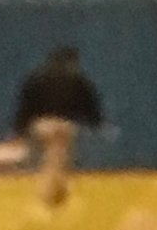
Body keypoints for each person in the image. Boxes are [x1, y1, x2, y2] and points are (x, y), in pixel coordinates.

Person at [14, 44, 106, 209]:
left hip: (41, 125)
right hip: (64, 125)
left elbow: (26, 106)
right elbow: (89, 105)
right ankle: (49, 194)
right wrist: (96, 123)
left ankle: (58, 192)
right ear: (72, 62)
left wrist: (20, 128)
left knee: (53, 156)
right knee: (58, 158)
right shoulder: (78, 80)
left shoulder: (36, 79)